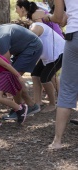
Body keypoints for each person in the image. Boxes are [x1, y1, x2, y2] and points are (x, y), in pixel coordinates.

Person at [0, 23, 43, 120]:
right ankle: (29, 105)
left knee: (12, 77)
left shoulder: (1, 39)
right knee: (11, 78)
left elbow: (5, 65)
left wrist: (1, 85)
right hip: (20, 50)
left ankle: (20, 108)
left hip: (32, 46)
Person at [43, 0, 78, 149]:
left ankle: (57, 141)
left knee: (68, 87)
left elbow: (60, 18)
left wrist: (48, 18)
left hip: (75, 36)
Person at [29, 21, 64, 113]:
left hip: (58, 54)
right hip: (47, 57)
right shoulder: (32, 28)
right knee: (35, 75)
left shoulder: (35, 28)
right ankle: (38, 102)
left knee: (45, 78)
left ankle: (52, 104)